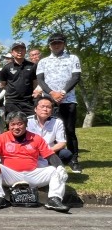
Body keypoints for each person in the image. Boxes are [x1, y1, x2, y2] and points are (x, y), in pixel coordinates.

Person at [0, 111, 70, 212]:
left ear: (26, 125)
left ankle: (54, 199)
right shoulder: (2, 138)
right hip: (11, 175)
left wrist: (60, 166)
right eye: (13, 124)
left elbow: (50, 155)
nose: (16, 127)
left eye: (20, 124)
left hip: (32, 174)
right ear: (9, 125)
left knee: (56, 170)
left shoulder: (36, 138)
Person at [36, 32, 83, 173]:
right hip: (48, 101)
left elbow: (76, 77)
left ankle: (73, 160)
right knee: (49, 130)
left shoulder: (72, 58)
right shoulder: (43, 61)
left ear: (64, 43)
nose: (56, 45)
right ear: (49, 46)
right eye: (53, 43)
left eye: (59, 43)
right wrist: (52, 93)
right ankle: (51, 159)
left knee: (69, 130)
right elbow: (40, 80)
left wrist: (62, 92)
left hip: (67, 100)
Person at [27, 96, 73, 166]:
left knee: (66, 154)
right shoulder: (27, 121)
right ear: (35, 109)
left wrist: (46, 151)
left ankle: (55, 167)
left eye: (48, 107)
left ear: (51, 110)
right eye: (42, 106)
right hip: (31, 151)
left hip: (50, 150)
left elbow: (62, 143)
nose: (45, 109)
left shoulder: (57, 122)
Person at [0, 41, 38, 116]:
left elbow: (35, 84)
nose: (20, 52)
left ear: (25, 51)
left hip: (28, 102)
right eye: (17, 50)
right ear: (12, 52)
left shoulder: (33, 66)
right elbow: (2, 85)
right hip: (12, 102)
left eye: (22, 49)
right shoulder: (6, 67)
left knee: (30, 125)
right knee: (12, 126)